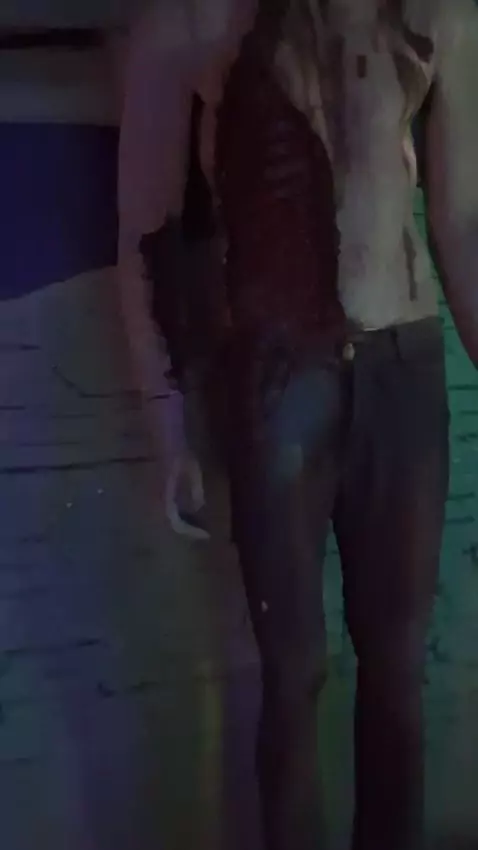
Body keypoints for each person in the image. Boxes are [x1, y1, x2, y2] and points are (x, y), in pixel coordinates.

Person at [118, 1, 478, 848]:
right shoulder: (187, 23)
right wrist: (170, 417)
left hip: (400, 362)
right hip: (276, 370)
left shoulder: (440, 14)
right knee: (292, 674)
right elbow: (145, 233)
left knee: (397, 668)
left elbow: (461, 220)